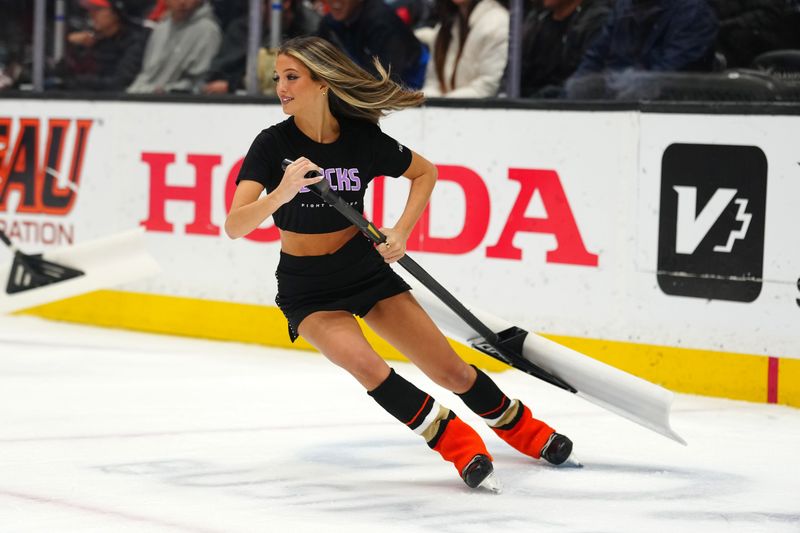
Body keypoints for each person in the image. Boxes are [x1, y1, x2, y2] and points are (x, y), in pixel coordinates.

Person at [225, 35, 574, 490]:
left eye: (292, 77)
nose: (281, 88)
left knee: (450, 370)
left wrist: (401, 231)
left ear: (323, 82)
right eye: (278, 78)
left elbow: (425, 172)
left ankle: (524, 429)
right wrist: (282, 193)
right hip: (307, 289)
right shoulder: (273, 144)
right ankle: (457, 443)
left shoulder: (360, 140)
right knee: (369, 368)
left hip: (364, 271)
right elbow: (235, 225)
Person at [566, 0, 719, 98]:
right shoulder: (623, 8)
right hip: (612, 111)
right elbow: (593, 60)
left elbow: (664, 79)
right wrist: (570, 95)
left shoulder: (694, 14)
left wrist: (605, 88)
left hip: (669, 118)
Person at [201, 0, 319, 95]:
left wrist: (232, 85)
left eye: (261, 3)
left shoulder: (310, 30)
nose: (256, 10)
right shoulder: (245, 28)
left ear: (286, 3)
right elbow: (219, 70)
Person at [316, 0, 427, 89]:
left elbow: (388, 79)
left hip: (413, 83)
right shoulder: (331, 23)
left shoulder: (382, 22)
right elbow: (313, 56)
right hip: (367, 81)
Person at [415, 0, 509, 97]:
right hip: (447, 105)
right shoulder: (445, 26)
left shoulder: (498, 23)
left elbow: (486, 89)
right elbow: (433, 84)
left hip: (476, 106)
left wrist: (442, 103)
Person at [519, 0, 612, 97]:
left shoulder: (597, 22)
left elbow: (586, 82)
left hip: (566, 102)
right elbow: (515, 74)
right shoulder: (536, 19)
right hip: (525, 102)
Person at [127, 0, 222, 93]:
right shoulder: (160, 29)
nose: (182, 2)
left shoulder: (208, 31)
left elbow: (199, 82)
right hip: (144, 95)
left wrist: (165, 91)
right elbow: (147, 73)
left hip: (178, 99)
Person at [57, 0, 150, 92]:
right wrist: (72, 48)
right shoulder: (93, 40)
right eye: (90, 10)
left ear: (116, 13)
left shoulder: (135, 41)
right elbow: (61, 74)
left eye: (97, 9)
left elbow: (119, 82)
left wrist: (74, 82)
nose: (91, 14)